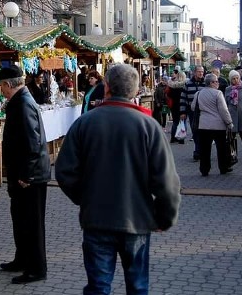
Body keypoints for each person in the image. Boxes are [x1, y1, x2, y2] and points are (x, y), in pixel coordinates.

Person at [55, 64, 181, 295]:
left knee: (99, 287)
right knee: (138, 287)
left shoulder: (85, 123)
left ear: (106, 87)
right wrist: (164, 218)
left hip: (97, 219)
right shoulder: (149, 126)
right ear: (134, 91)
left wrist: (86, 198)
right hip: (137, 219)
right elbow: (167, 182)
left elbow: (64, 171)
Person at [0, 65, 50, 284]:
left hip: (30, 177)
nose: (1, 90)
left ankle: (36, 268)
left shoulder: (23, 104)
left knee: (32, 223)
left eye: (1, 86)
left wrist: (27, 174)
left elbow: (32, 142)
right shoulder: (20, 101)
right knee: (20, 219)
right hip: (23, 174)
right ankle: (22, 258)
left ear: (9, 85)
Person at [192, 73, 234, 176]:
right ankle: (223, 168)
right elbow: (223, 110)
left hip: (203, 125)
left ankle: (204, 169)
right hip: (218, 125)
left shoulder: (198, 93)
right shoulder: (218, 93)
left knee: (205, 149)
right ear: (211, 83)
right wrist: (229, 123)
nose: (218, 83)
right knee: (221, 148)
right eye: (216, 81)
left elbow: (193, 107)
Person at [180, 65, 206, 160]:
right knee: (195, 131)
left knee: (203, 132)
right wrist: (182, 112)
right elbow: (183, 99)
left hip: (204, 112)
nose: (200, 73)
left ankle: (200, 151)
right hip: (192, 112)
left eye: (202, 72)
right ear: (194, 72)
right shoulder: (188, 84)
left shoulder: (206, 84)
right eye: (199, 71)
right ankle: (197, 150)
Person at [168, 71, 187, 143]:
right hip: (182, 105)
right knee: (183, 122)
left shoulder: (173, 85)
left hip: (174, 105)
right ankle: (181, 139)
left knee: (175, 122)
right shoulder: (185, 85)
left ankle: (173, 138)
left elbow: (169, 95)